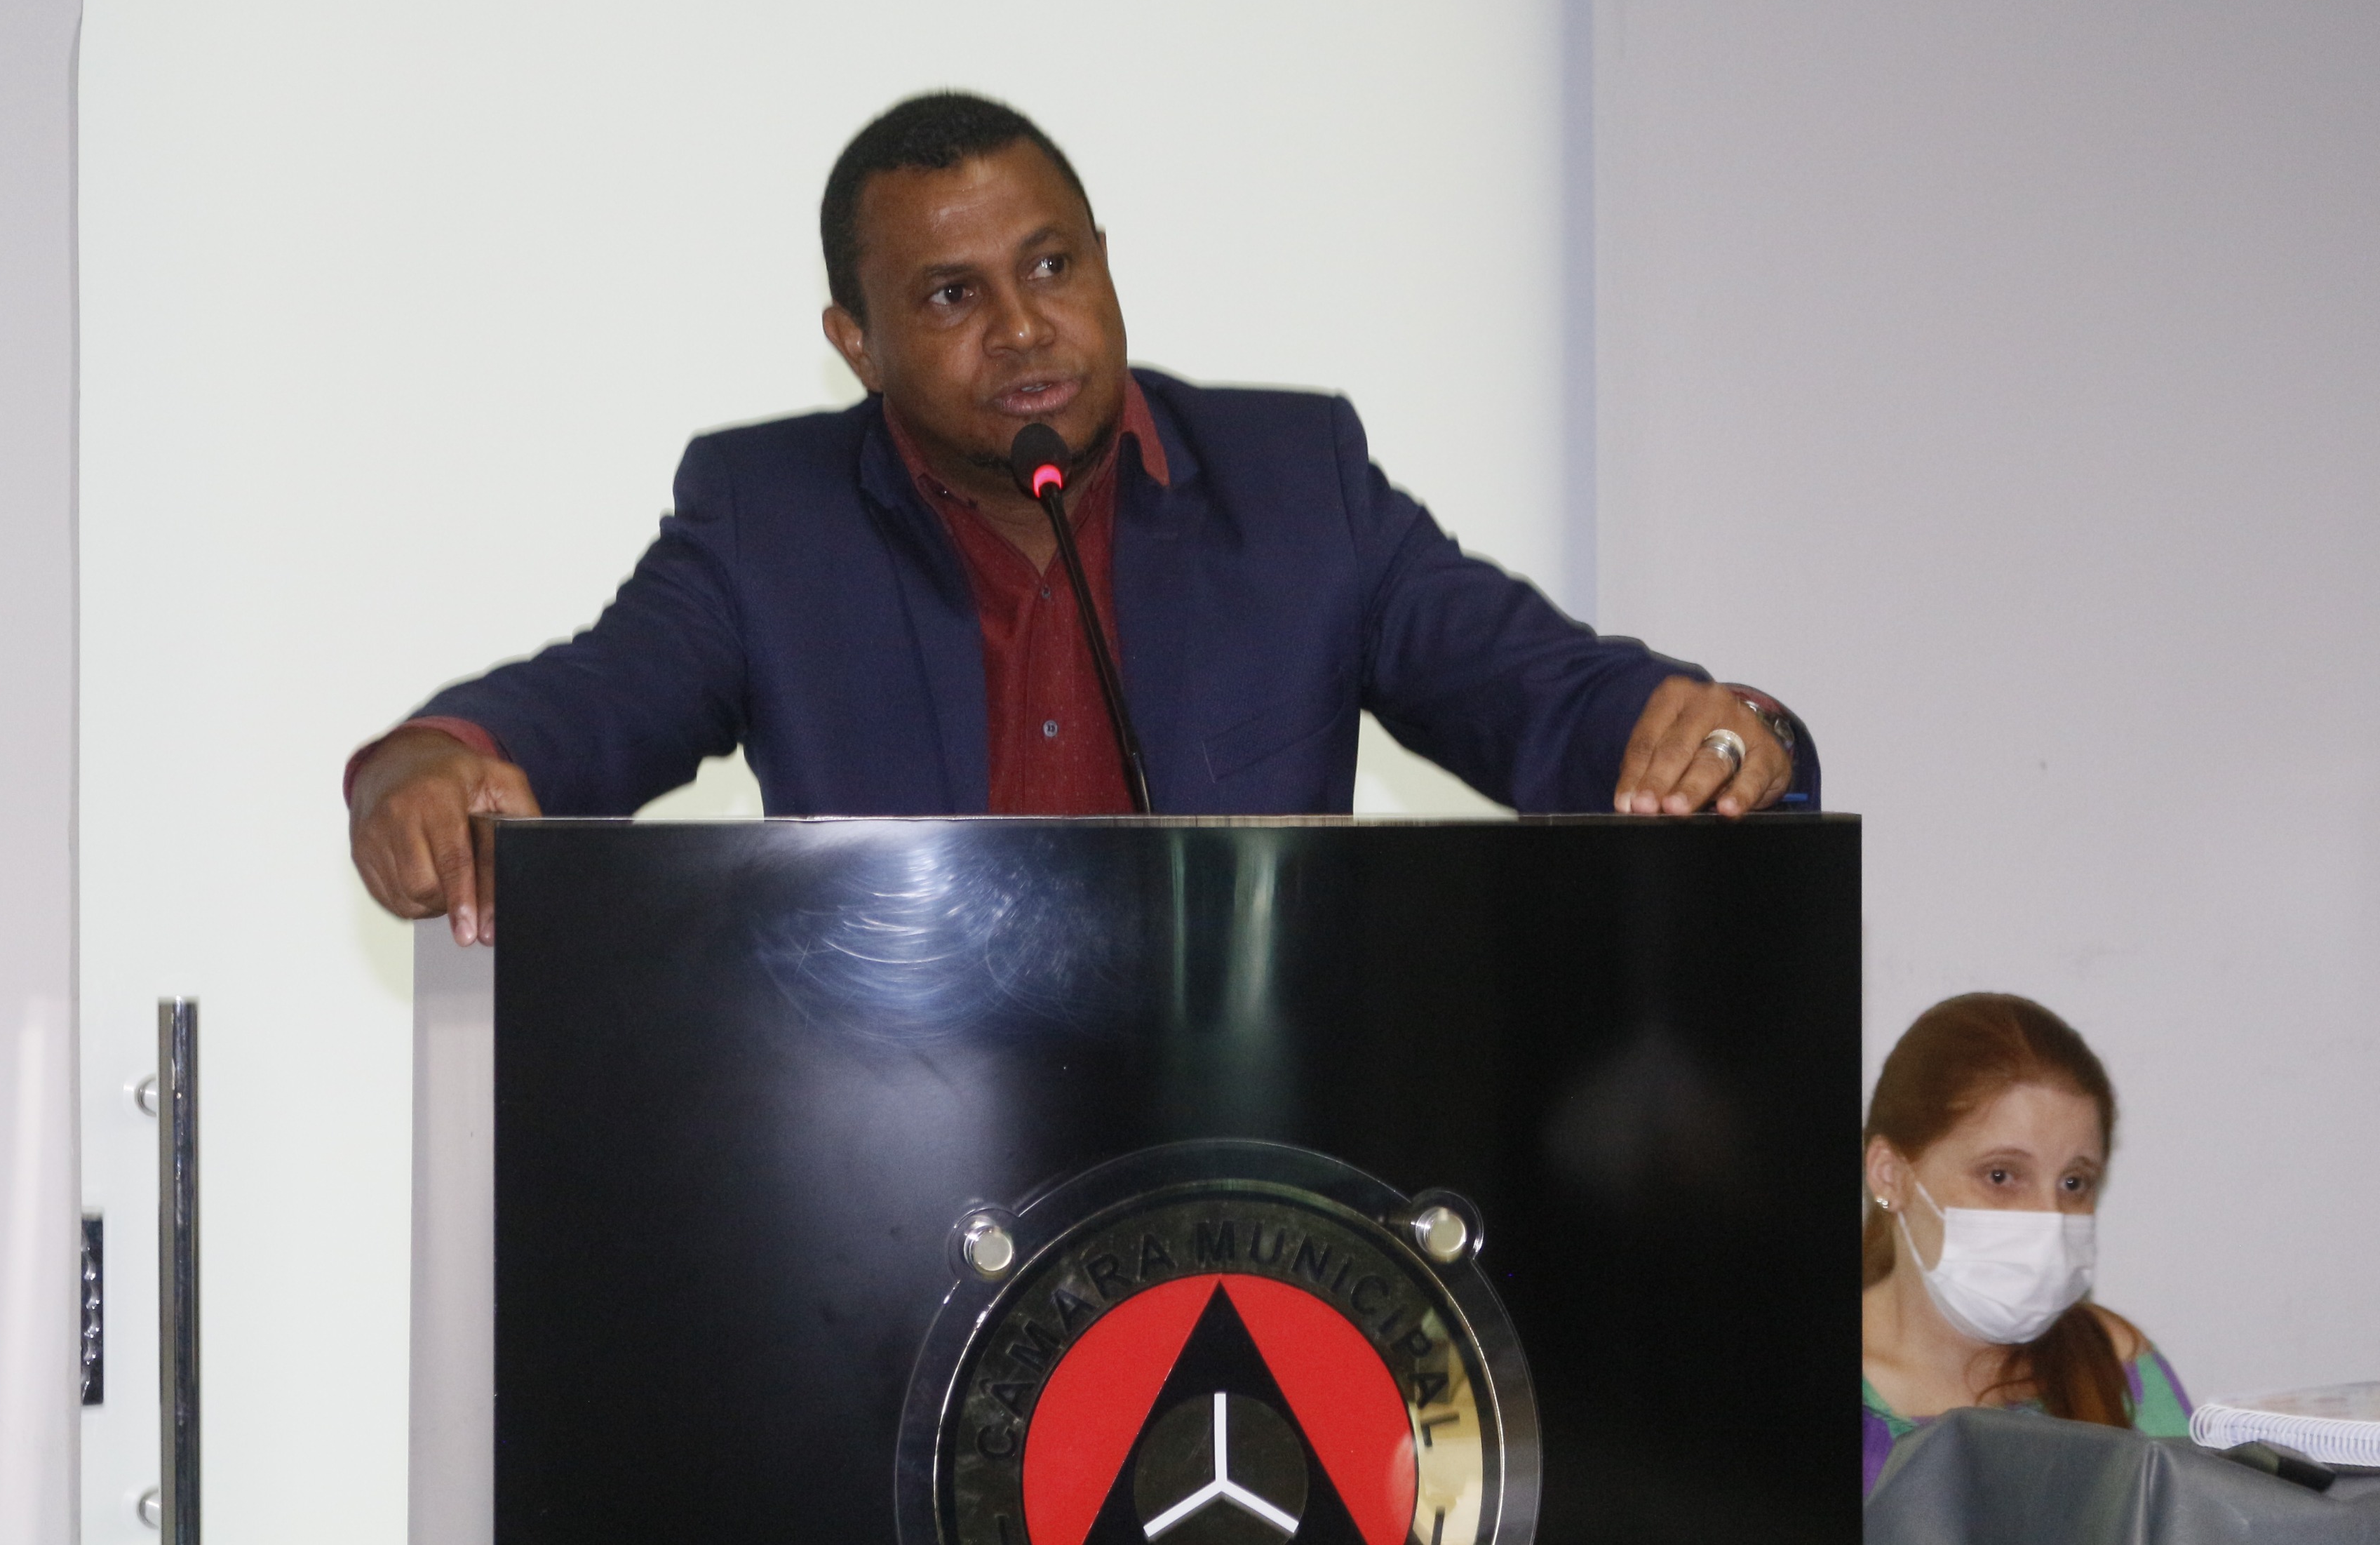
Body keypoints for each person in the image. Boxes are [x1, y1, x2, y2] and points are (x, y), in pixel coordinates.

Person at [349, 93, 1819, 942]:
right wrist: (434, 765)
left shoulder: (1293, 487)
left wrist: (1710, 736)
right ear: (855, 345)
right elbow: (594, 705)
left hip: (1241, 1165)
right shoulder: (771, 525)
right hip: (902, 1182)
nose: (1022, 327)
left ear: (1105, 262)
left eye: (1052, 266)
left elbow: (1539, 693)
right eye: (950, 295)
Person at [1861, 993, 2192, 1494]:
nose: (2048, 1220)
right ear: (1890, 1175)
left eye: (2074, 1183)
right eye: (2001, 1175)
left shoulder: (2114, 1364)